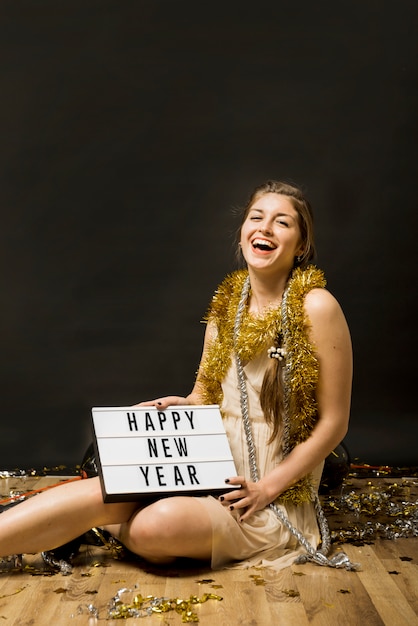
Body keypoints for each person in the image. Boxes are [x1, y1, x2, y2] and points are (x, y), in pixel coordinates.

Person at [0, 180, 353, 571]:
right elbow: (204, 394)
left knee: (153, 526)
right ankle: (66, 524)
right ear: (242, 233)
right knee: (99, 494)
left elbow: (334, 423)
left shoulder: (317, 307)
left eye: (282, 222)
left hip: (268, 499)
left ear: (301, 245)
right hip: (207, 467)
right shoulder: (227, 307)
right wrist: (181, 404)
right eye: (257, 217)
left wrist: (266, 489)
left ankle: (77, 526)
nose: (265, 228)